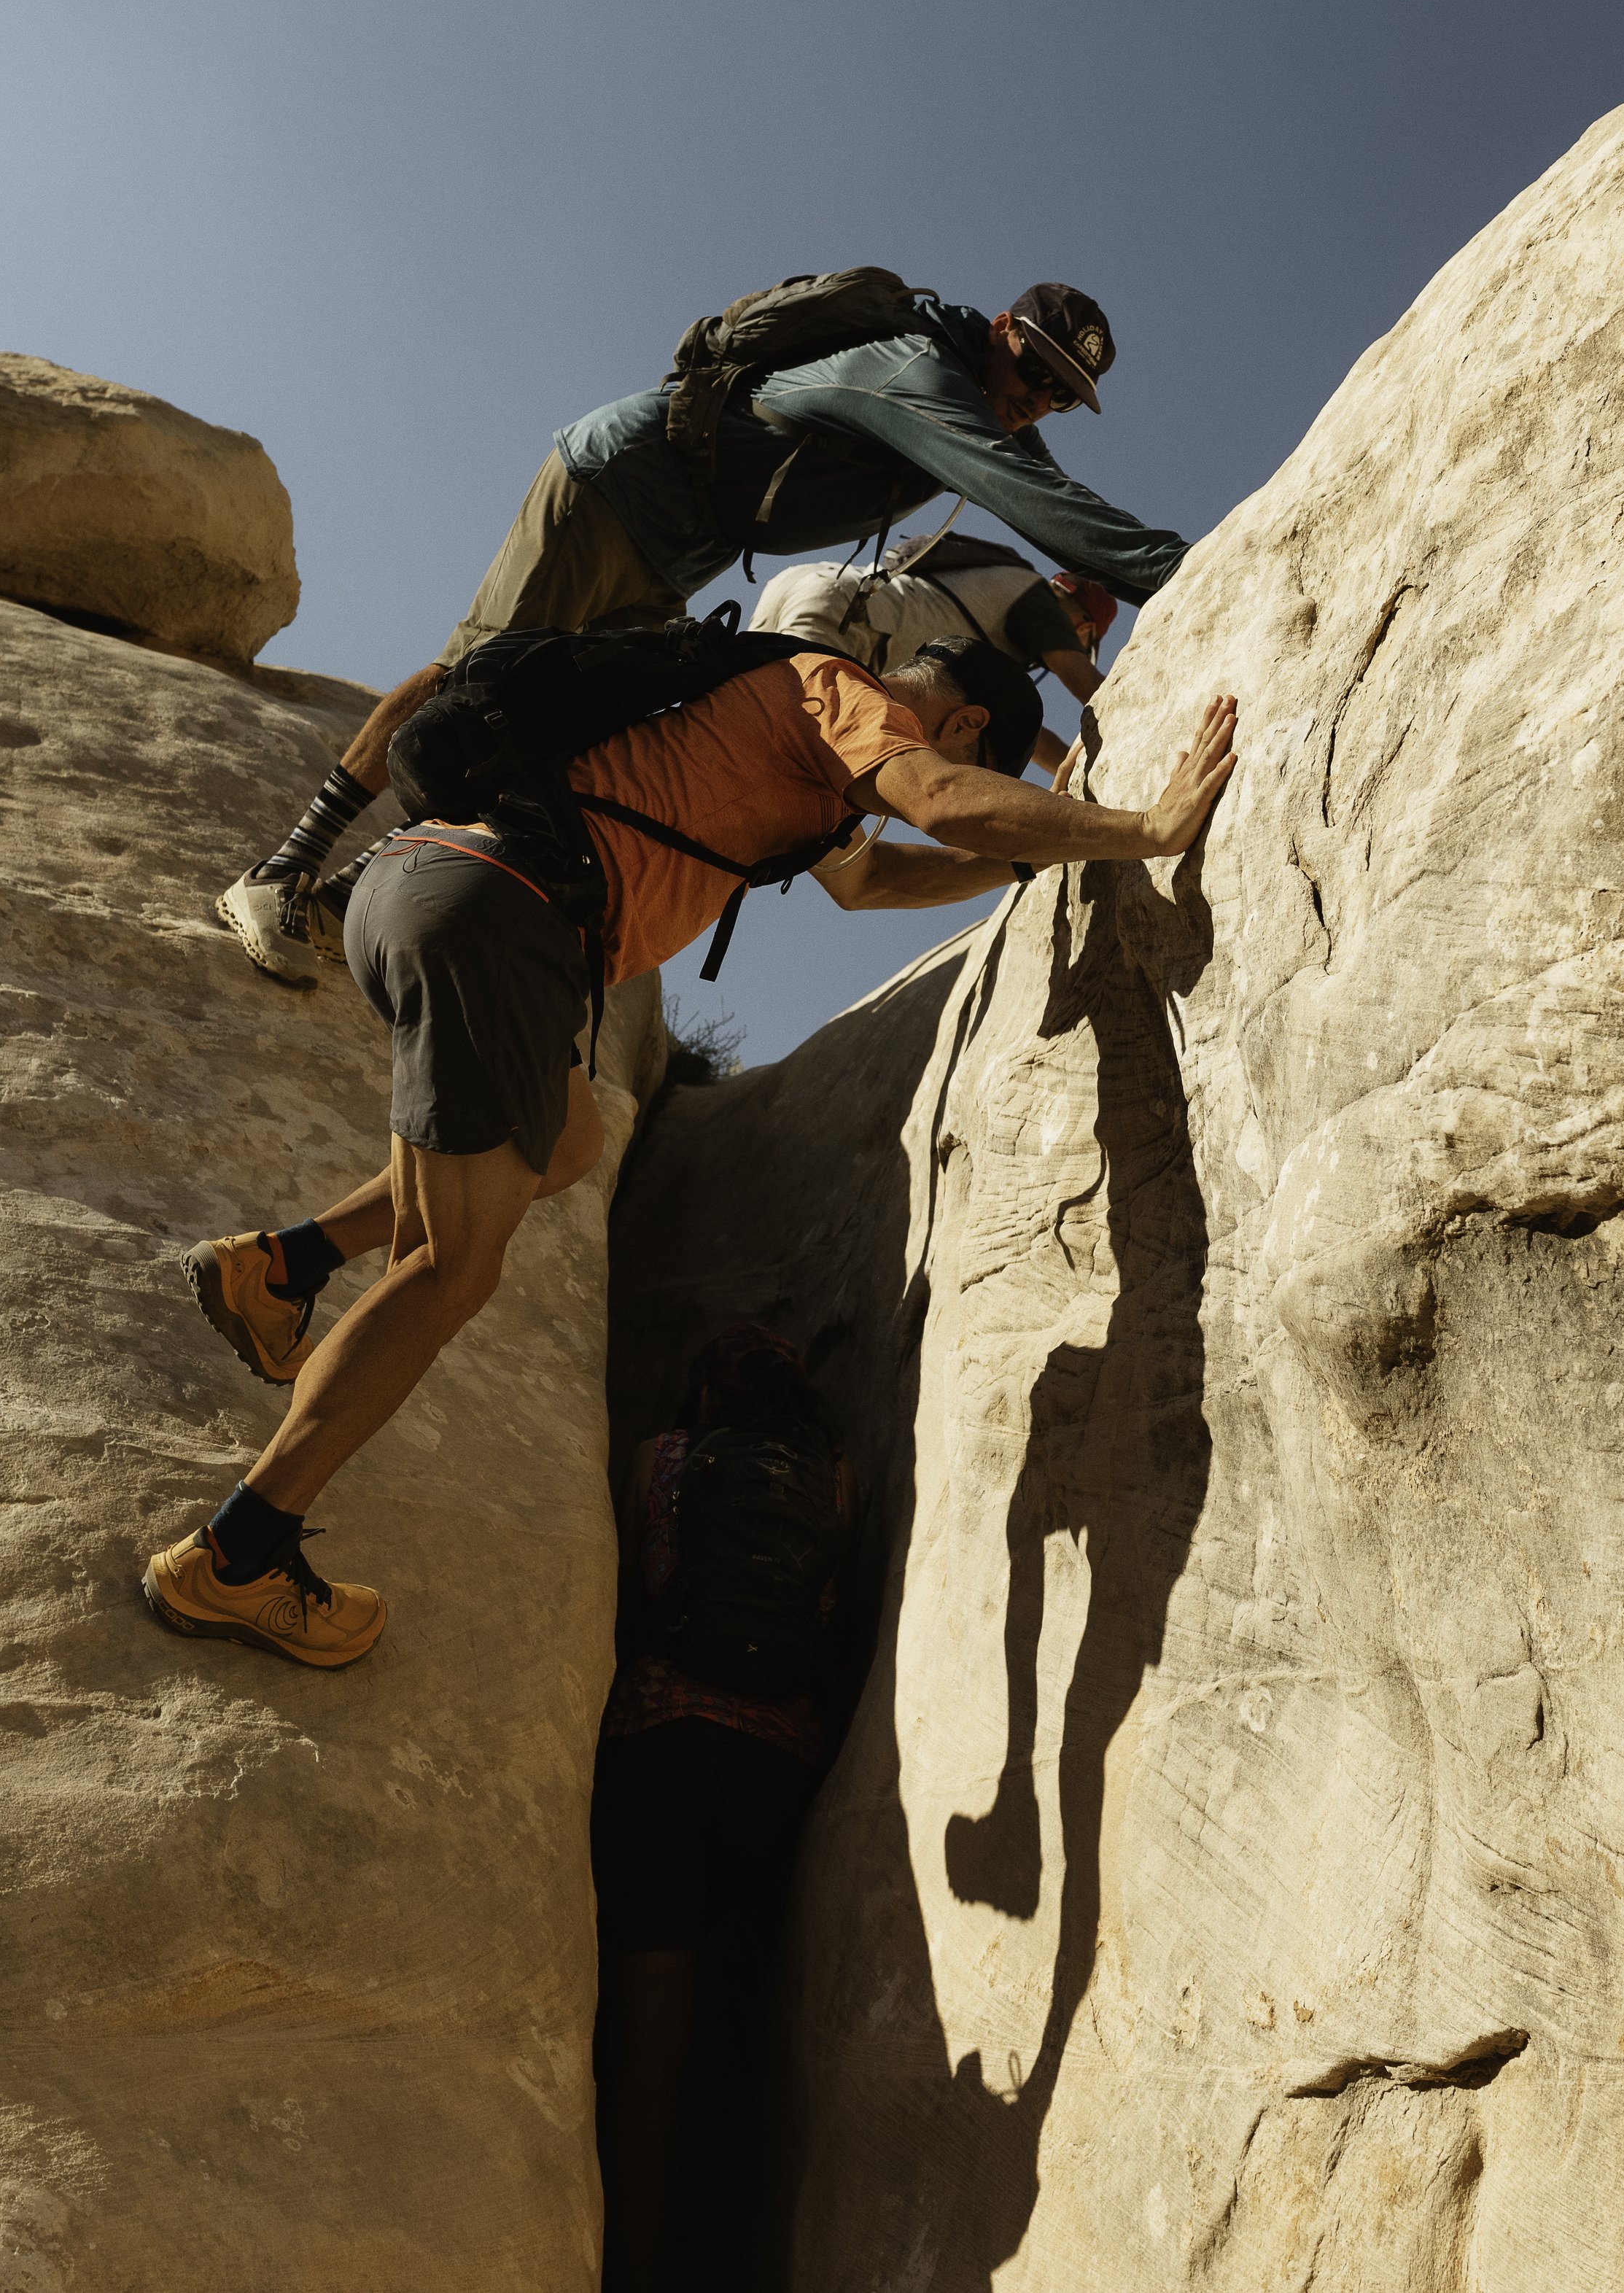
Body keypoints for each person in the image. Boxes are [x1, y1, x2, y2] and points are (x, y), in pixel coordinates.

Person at [146, 633, 1236, 1671]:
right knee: (450, 1265)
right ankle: (236, 1557)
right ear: (961, 721)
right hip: (500, 914)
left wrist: (1022, 860)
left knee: (564, 1143)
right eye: (971, 758)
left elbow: (873, 882)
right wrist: (1145, 828)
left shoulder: (785, 739)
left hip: (422, 885)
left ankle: (278, 1269)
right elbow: (944, 801)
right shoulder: (840, 693)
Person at [218, 281, 1190, 985]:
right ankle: (284, 870)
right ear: (1002, 330)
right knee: (477, 675)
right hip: (620, 486)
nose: (1036, 399)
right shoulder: (921, 372)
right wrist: (1192, 570)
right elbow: (1032, 497)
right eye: (1034, 370)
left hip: (682, 548)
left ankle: (347, 895)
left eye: (1061, 395)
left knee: (582, 712)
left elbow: (1046, 479)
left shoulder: (986, 402)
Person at [594, 1322, 853, 2293]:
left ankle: (634, 2268)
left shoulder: (657, 1459)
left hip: (662, 1752)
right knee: (738, 2034)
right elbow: (832, 1618)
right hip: (780, 1772)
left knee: (650, 2041)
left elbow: (625, 1605)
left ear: (705, 1394)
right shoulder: (837, 1478)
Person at [749, 535, 1118, 775]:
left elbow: (1012, 732)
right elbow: (1091, 688)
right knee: (798, 750)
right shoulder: (1041, 601)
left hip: (805, 585)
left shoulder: (1001, 582)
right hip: (854, 620)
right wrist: (1094, 768)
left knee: (745, 715)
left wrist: (1066, 766)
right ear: (1084, 627)